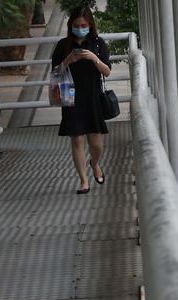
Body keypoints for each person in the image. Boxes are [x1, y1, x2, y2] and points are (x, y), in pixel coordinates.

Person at [51, 8, 112, 194]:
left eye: (84, 26)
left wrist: (94, 58)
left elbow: (107, 71)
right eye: (76, 26)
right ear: (71, 26)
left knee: (96, 143)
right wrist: (68, 60)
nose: (80, 29)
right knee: (77, 139)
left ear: (90, 25)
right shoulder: (63, 45)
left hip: (92, 97)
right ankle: (84, 181)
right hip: (71, 97)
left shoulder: (98, 43)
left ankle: (95, 163)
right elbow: (54, 73)